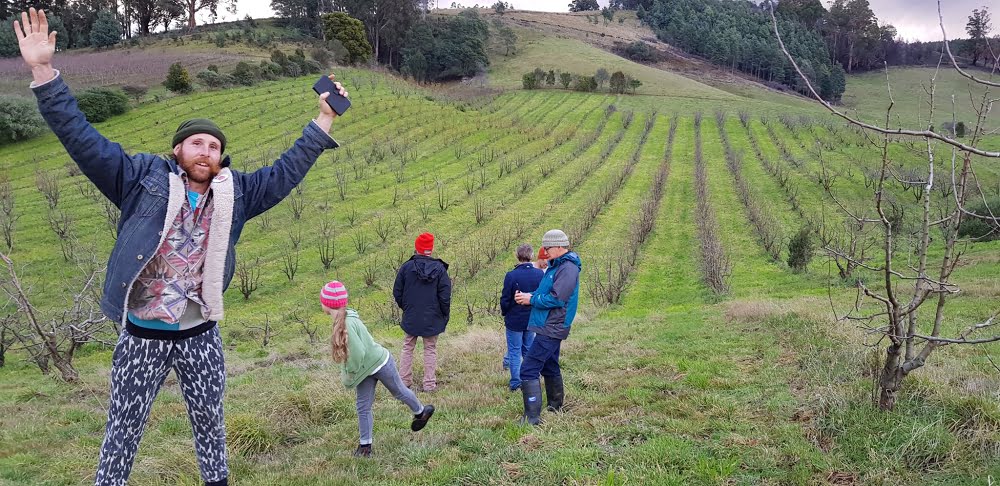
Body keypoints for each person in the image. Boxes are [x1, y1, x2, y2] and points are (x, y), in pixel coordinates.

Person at [12, 8, 347, 485]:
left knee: (210, 425)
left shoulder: (237, 194)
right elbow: (81, 139)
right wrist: (42, 71)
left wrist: (324, 119)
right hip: (142, 337)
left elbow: (287, 171)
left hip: (200, 335)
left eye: (213, 145)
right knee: (123, 430)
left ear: (220, 156)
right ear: (178, 151)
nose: (205, 151)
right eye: (196, 144)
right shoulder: (139, 179)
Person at [322, 281, 436, 458]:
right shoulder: (341, 320)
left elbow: (358, 354)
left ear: (327, 304)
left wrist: (350, 372)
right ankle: (365, 446)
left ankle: (421, 412)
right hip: (365, 371)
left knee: (399, 391)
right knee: (363, 406)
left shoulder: (347, 324)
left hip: (380, 362)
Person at [514, 229, 582, 425]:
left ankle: (532, 417)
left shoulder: (567, 268)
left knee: (528, 369)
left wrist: (531, 299)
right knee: (549, 364)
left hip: (553, 325)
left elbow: (557, 298)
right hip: (548, 323)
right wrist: (529, 296)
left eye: (548, 247)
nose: (544, 251)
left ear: (560, 246)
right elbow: (547, 291)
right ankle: (555, 405)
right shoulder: (556, 266)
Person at [393, 232, 452, 391]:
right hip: (433, 317)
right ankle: (429, 384)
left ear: (417, 248)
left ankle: (404, 382)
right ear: (430, 250)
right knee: (430, 349)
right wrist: (443, 314)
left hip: (411, 315)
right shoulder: (440, 270)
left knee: (407, 347)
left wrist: (406, 308)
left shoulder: (406, 267)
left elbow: (397, 292)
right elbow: (445, 296)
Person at [499, 243, 544, 391]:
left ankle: (516, 383)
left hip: (514, 320)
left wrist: (505, 312)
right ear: (531, 256)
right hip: (531, 318)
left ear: (517, 256)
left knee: (514, 351)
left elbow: (505, 299)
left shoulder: (511, 275)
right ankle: (532, 378)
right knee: (529, 350)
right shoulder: (539, 274)